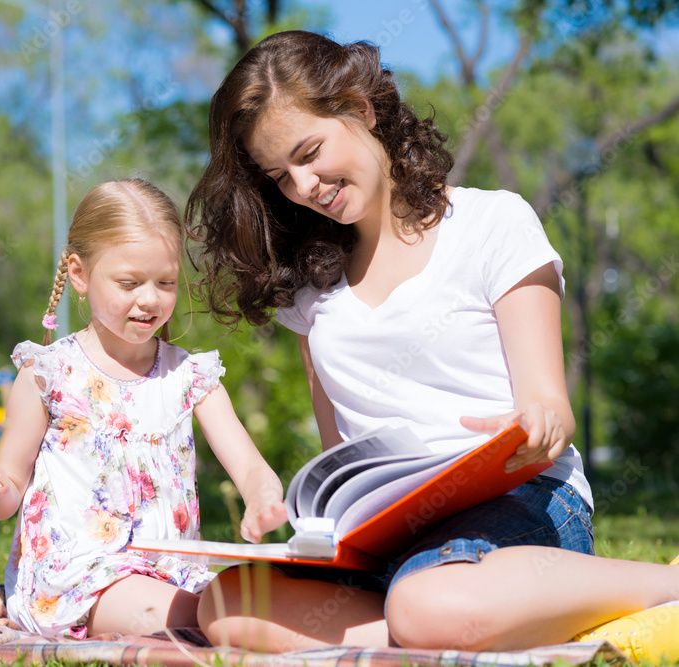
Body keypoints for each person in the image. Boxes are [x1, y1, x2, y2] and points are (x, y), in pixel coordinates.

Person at [184, 30, 679, 661]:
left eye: (310, 153)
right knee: (226, 605)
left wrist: (532, 423)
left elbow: (550, 410)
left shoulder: (492, 223)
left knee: (427, 604)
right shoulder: (312, 290)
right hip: (387, 535)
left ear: (360, 108)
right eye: (280, 175)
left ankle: (667, 585)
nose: (304, 186)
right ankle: (459, 624)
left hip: (517, 501)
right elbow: (342, 456)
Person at [0, 178, 287, 639]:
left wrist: (263, 499)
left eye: (166, 282)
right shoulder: (48, 373)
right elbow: (9, 498)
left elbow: (250, 467)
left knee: (248, 601)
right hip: (78, 580)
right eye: (129, 282)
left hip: (174, 575)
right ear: (80, 275)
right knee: (221, 615)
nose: (150, 298)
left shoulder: (191, 377)